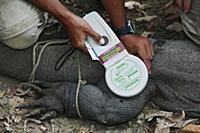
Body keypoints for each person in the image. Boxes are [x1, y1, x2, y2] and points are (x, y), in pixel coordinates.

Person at [1, 0, 200, 125]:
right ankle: (67, 96)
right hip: (140, 74)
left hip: (143, 62)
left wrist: (123, 32)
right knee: (112, 112)